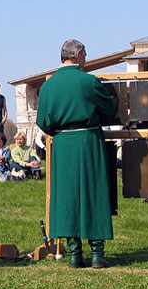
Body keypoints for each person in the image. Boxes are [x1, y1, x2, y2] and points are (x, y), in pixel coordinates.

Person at [36, 39, 117, 269]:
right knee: (94, 192)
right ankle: (97, 254)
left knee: (67, 197)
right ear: (78, 54)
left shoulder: (48, 86)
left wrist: (60, 131)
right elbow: (109, 108)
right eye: (86, 54)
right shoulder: (89, 81)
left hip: (62, 144)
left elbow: (42, 121)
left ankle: (74, 254)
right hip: (89, 140)